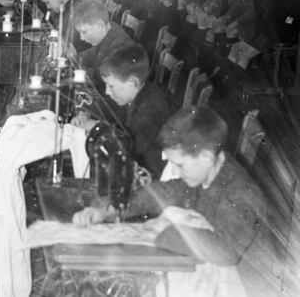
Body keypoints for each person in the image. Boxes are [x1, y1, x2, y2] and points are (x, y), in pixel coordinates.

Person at [73, 106, 265, 269]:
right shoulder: (207, 171)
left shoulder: (243, 194)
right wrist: (106, 209)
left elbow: (226, 252)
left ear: (206, 157)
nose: (176, 171)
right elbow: (160, 193)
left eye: (180, 165)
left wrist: (165, 230)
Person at [73, 44, 172, 175]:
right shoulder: (133, 93)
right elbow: (109, 108)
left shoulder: (151, 111)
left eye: (111, 86)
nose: (107, 91)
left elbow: (129, 149)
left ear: (131, 83)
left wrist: (97, 127)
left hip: (145, 174)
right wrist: (86, 113)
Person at [73, 0, 138, 88]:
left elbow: (101, 80)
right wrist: (73, 58)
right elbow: (90, 55)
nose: (81, 38)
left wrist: (75, 70)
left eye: (84, 32)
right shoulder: (109, 32)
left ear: (99, 25)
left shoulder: (120, 45)